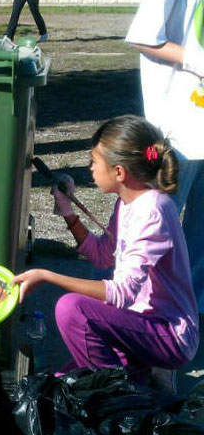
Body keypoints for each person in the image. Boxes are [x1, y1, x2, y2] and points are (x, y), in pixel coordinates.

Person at [13, 116, 199, 380]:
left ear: (119, 172)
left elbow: (121, 293)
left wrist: (47, 276)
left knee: (71, 308)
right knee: (59, 384)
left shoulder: (153, 211)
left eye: (94, 161)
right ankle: (134, 383)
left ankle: (117, 396)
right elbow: (101, 255)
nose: (89, 168)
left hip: (168, 335)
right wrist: (68, 212)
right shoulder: (127, 203)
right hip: (139, 324)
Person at [125, 0, 204, 320]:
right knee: (162, 225)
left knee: (201, 231)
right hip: (179, 124)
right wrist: (197, 60)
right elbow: (143, 36)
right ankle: (147, 314)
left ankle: (190, 314)